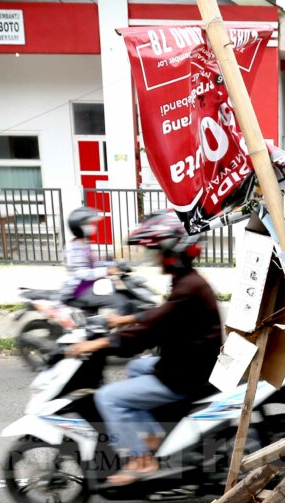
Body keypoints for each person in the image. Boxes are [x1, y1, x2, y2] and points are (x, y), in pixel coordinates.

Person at [66, 211, 223, 485]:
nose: (153, 257)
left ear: (172, 251)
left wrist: (101, 342)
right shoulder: (187, 280)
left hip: (187, 374)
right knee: (136, 366)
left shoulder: (188, 287)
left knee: (108, 398)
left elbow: (151, 330)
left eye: (155, 251)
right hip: (190, 362)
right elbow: (163, 314)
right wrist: (126, 319)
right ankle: (153, 434)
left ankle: (142, 459)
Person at [59, 206, 121, 304]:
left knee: (121, 293)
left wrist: (114, 264)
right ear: (78, 226)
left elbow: (93, 264)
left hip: (90, 284)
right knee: (118, 301)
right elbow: (80, 273)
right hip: (79, 289)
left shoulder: (84, 244)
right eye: (88, 224)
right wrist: (106, 270)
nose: (92, 226)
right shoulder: (73, 247)